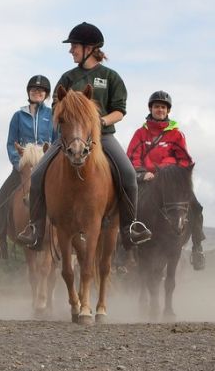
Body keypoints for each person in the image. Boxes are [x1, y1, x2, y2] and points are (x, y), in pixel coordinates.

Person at [16, 22, 152, 251]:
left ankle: (131, 227)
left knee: (128, 174)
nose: (71, 51)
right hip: (69, 138)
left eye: (74, 46)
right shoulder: (68, 77)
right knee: (38, 174)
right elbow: (57, 104)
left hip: (103, 137)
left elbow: (119, 110)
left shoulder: (111, 77)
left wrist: (101, 121)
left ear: (90, 48)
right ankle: (36, 229)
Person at [127, 90, 205, 270]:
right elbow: (132, 156)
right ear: (150, 109)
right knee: (127, 206)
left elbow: (185, 159)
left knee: (196, 206)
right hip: (146, 179)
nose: (160, 110)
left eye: (163, 107)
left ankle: (197, 248)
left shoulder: (177, 134)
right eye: (156, 107)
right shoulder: (140, 133)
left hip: (171, 181)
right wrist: (142, 173)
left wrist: (166, 170)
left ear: (168, 110)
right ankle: (125, 250)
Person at [0, 75, 55, 260]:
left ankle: (76, 234)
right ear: (28, 93)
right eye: (33, 90)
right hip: (24, 167)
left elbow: (57, 142)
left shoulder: (52, 115)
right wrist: (18, 164)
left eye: (40, 91)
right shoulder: (18, 116)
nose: (37, 93)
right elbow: (11, 143)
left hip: (46, 166)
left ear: (46, 94)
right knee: (1, 197)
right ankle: (0, 243)